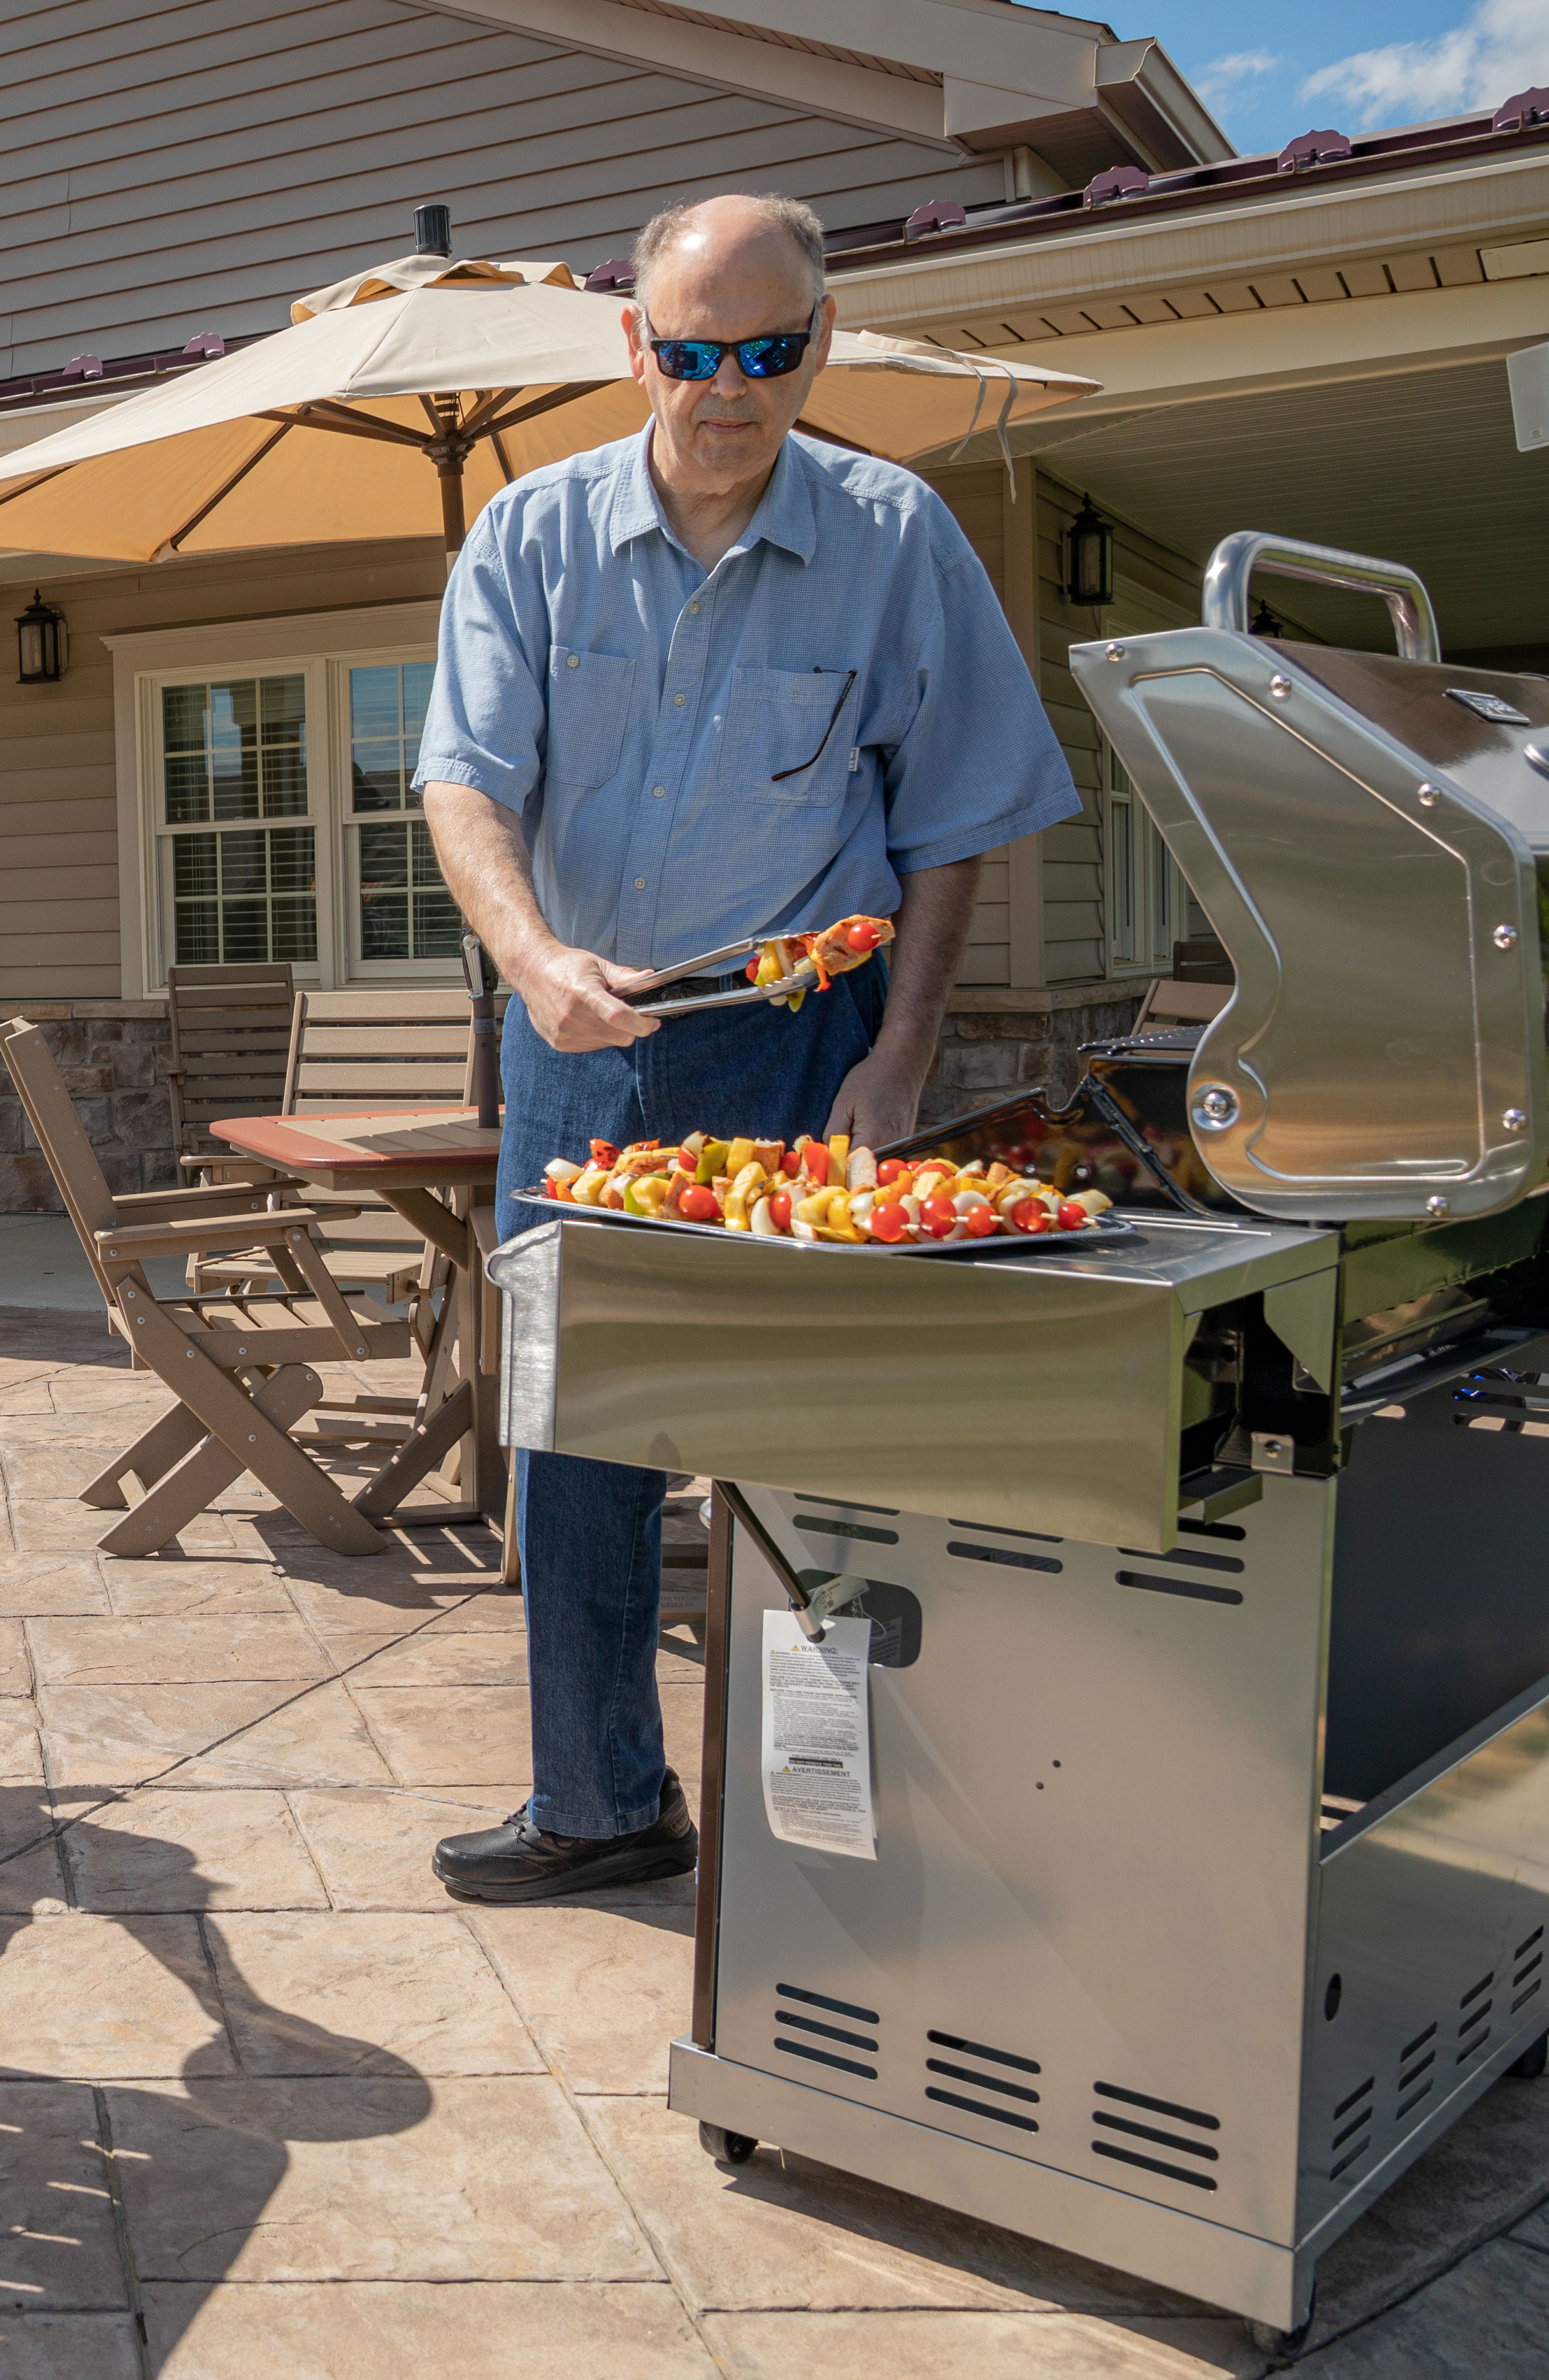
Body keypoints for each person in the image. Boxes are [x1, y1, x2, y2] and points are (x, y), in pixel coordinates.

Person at [412, 192, 1080, 1903]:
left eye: (767, 351)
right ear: (634, 346)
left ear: (818, 347)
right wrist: (534, 961)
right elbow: (462, 782)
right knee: (577, 1447)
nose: (728, 386)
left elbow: (952, 822)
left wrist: (903, 1057)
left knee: (819, 1450)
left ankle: (834, 1830)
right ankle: (601, 1804)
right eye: (694, 351)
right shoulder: (528, 535)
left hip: (807, 1046)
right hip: (579, 1042)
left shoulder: (898, 532)